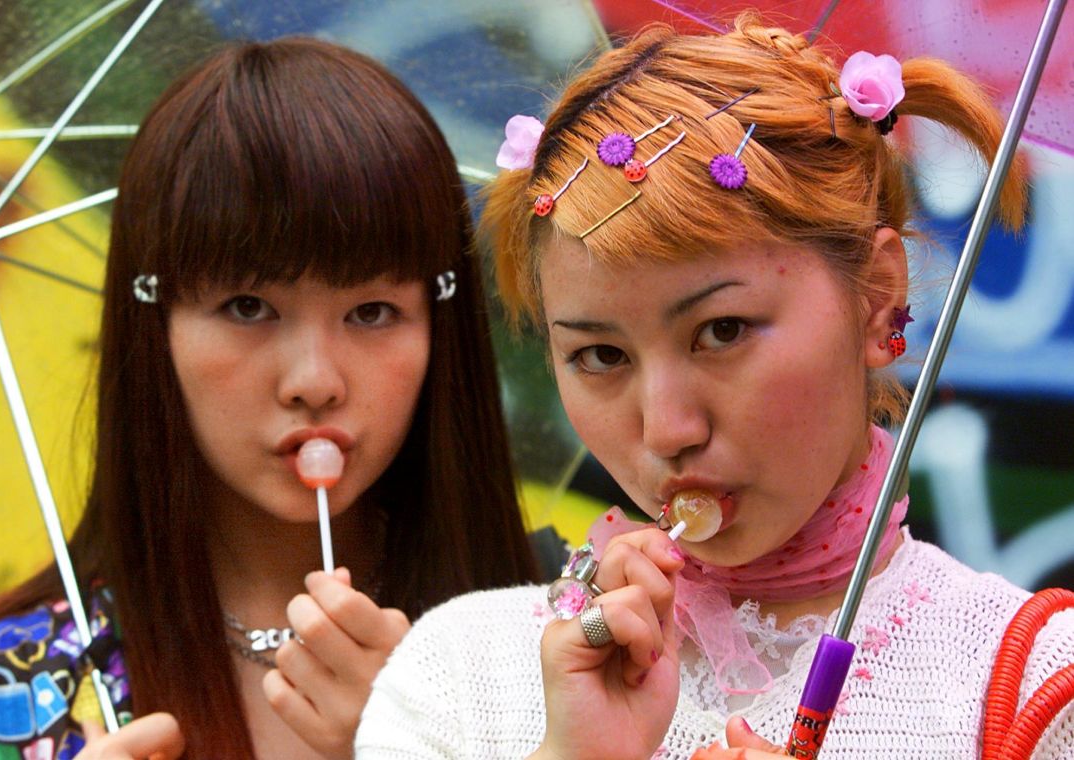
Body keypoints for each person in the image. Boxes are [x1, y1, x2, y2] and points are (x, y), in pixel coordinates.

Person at [355, 12, 1074, 759]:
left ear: (878, 295)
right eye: (600, 356)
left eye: (722, 331)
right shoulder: (460, 676)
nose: (668, 429)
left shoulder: (1038, 689)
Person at [0, 37, 538, 760]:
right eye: (245, 307)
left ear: (440, 326)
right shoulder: (14, 695)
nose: (314, 381)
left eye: (371, 312)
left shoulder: (567, 647)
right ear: (157, 324)